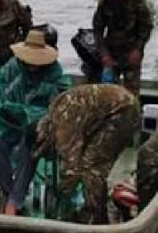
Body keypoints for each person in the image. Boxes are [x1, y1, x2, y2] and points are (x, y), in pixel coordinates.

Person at [0, 30, 70, 215]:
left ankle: (14, 201)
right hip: (9, 123)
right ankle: (9, 192)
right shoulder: (10, 70)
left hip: (38, 128)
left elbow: (61, 103)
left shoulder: (54, 72)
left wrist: (34, 116)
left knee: (30, 147)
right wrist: (17, 112)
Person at [34, 83, 139, 224]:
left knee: (92, 168)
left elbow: (71, 167)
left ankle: (96, 219)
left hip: (121, 112)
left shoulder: (63, 125)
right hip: (116, 108)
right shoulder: (56, 112)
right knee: (89, 163)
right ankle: (93, 210)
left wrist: (62, 198)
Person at [93, 0, 153, 95]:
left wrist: (138, 49)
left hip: (131, 54)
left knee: (131, 95)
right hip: (111, 53)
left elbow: (146, 26)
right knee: (108, 94)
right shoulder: (105, 3)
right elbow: (97, 29)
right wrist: (104, 54)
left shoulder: (135, 1)